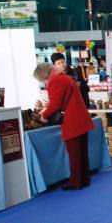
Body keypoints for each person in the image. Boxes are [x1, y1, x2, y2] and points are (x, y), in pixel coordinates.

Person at [32, 62, 95, 190]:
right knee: (81, 151)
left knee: (74, 153)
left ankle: (75, 182)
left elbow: (56, 104)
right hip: (81, 117)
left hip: (72, 120)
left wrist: (44, 116)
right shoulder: (65, 78)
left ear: (44, 75)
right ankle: (84, 179)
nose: (43, 82)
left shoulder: (55, 81)